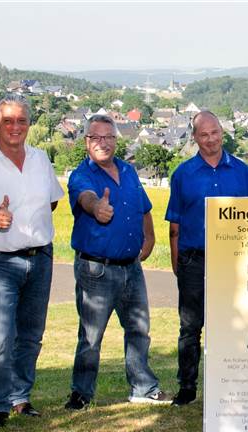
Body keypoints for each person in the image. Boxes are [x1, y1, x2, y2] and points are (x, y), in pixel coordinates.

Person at [0, 94, 64, 429]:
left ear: (28, 124)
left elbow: (50, 202)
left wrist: (28, 229)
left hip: (40, 257)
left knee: (31, 335)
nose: (15, 127)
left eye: (21, 120)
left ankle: (21, 397)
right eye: (8, 121)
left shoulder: (40, 159)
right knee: (0, 335)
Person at [63, 114, 172, 410]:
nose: (102, 143)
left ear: (115, 140)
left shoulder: (129, 171)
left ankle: (143, 388)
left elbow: (144, 208)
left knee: (138, 330)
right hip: (96, 269)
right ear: (86, 142)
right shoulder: (81, 175)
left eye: (108, 137)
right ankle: (81, 393)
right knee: (91, 336)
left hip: (131, 268)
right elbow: (85, 198)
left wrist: (149, 239)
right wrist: (96, 206)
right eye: (95, 137)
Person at [165, 111, 248, 406]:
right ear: (194, 138)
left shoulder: (243, 172)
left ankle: (231, 384)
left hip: (234, 261)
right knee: (190, 326)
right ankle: (187, 387)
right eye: (203, 135)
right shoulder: (183, 174)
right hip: (194, 260)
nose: (211, 140)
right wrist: (176, 263)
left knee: (235, 323)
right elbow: (174, 226)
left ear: (223, 132)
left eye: (215, 132)